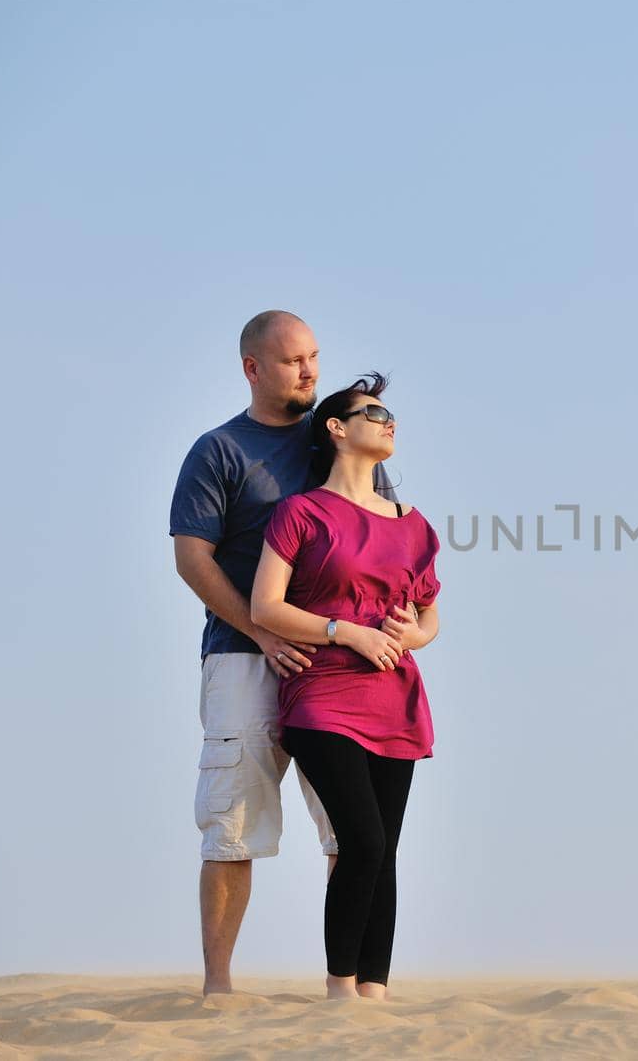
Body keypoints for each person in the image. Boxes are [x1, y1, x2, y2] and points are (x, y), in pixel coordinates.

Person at [170, 310, 410, 997]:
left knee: (353, 833)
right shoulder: (219, 450)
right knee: (233, 822)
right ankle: (218, 987)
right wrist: (262, 631)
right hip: (243, 661)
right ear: (253, 368)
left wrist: (393, 631)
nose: (308, 371)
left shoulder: (337, 442)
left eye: (313, 357)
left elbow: (384, 538)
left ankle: (349, 989)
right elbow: (193, 559)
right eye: (290, 360)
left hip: (339, 670)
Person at [249, 371, 442, 1001]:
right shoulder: (301, 513)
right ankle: (338, 993)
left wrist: (411, 635)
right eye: (372, 412)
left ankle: (373, 997)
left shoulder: (414, 525)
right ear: (336, 427)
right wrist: (346, 633)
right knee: (360, 839)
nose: (388, 422)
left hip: (396, 701)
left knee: (383, 851)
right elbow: (265, 608)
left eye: (391, 415)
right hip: (322, 694)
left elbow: (429, 616)